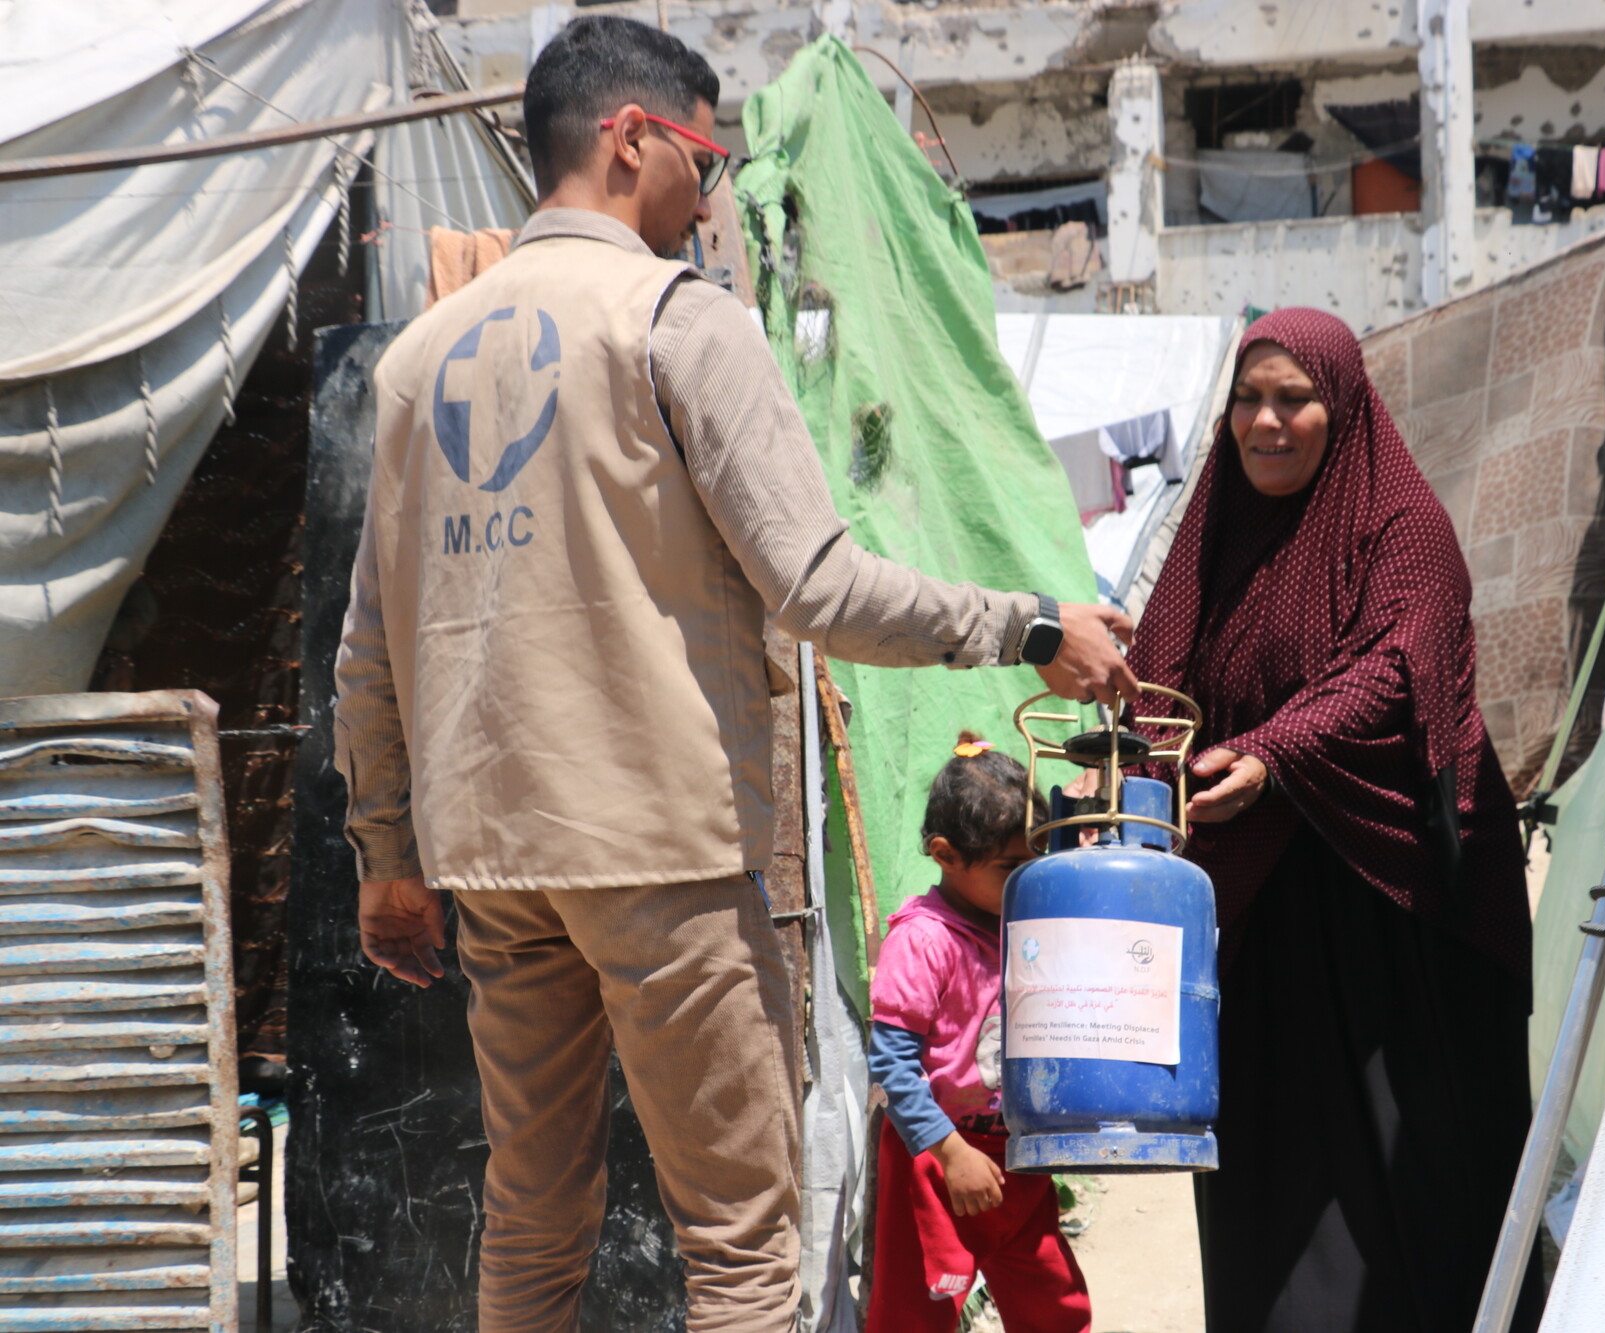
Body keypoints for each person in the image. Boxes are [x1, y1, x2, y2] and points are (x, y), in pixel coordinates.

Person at [330, 17, 1135, 1333]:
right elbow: (820, 587)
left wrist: (384, 853)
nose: (711, 196)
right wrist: (1034, 624)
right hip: (660, 854)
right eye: (703, 160)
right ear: (630, 137)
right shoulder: (677, 323)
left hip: (493, 856)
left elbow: (370, 652)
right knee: (741, 1248)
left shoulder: (420, 360)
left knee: (532, 1226)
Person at [1122, 308, 1543, 1332]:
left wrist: (1273, 754)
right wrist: (1142, 749)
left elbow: (1397, 668)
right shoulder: (1212, 531)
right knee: (1271, 1181)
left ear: (1339, 403)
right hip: (1261, 919)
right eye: (1245, 401)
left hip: (1390, 917)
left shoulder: (1400, 527)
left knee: (1411, 1195)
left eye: (1291, 398)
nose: (1265, 422)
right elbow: (1156, 667)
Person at [864, 736, 1092, 1332]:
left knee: (1057, 1308)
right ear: (945, 854)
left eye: (1036, 863)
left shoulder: (1028, 926)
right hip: (937, 1161)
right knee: (914, 1316)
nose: (1028, 882)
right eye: (1011, 868)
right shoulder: (921, 941)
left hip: (1017, 1161)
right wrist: (949, 1152)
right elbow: (891, 1065)